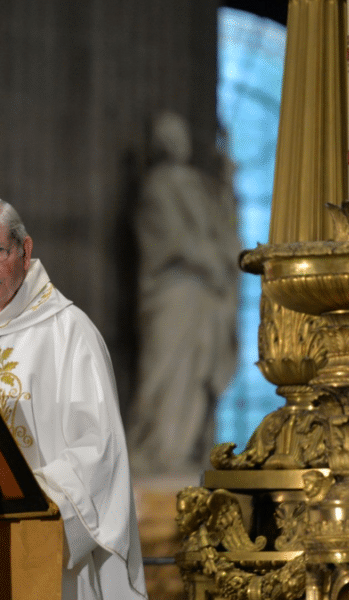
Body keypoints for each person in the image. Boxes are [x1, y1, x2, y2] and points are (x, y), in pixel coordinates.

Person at [0, 196, 148, 600]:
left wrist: (29, 494)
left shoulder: (69, 333)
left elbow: (101, 452)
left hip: (39, 546)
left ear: (25, 251)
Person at [126, 111, 241, 476]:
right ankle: (159, 449)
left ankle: (184, 451)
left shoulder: (196, 185)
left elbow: (221, 229)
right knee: (164, 372)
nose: (176, 141)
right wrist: (208, 259)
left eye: (179, 134)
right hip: (174, 291)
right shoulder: (158, 186)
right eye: (167, 135)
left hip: (202, 295)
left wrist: (227, 182)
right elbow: (170, 240)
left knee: (195, 375)